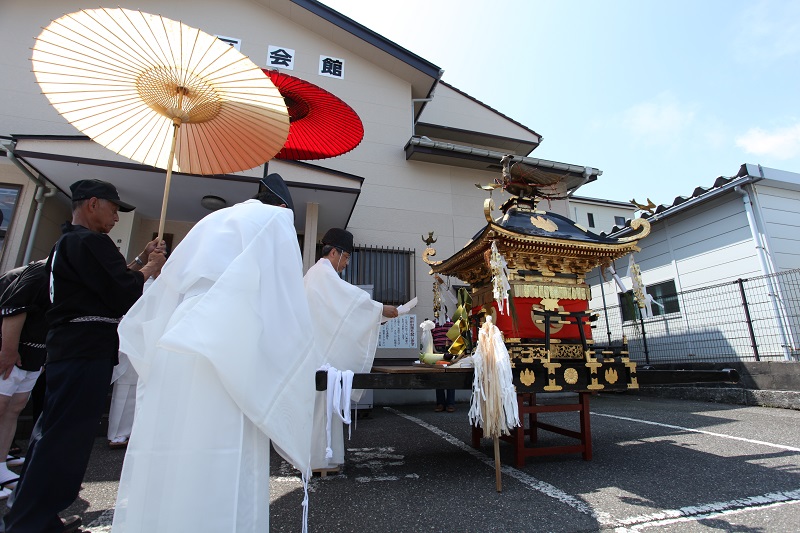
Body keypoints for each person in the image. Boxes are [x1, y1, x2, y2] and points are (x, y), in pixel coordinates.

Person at [111, 173, 321, 532]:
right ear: (284, 206)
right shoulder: (276, 219)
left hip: (178, 335)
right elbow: (281, 300)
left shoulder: (211, 221)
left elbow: (167, 290)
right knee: (224, 451)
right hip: (229, 336)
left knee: (170, 446)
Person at [3, 179, 165, 533]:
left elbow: (107, 280)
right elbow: (122, 292)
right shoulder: (91, 242)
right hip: (85, 349)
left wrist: (140, 257)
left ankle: (32, 513)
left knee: (52, 434)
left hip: (69, 348)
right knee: (65, 440)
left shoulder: (69, 242)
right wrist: (151, 268)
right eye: (113, 209)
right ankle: (33, 521)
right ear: (93, 203)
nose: (116, 218)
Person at [304, 227, 398, 471]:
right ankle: (317, 460)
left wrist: (376, 310)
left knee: (325, 407)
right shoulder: (323, 275)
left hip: (316, 353)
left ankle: (328, 458)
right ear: (334, 252)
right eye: (346, 257)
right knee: (321, 409)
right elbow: (351, 302)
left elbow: (343, 309)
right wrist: (379, 309)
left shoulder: (317, 275)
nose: (346, 263)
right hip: (318, 356)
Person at [0, 260, 49, 498]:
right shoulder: (40, 272)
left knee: (14, 409)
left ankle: (0, 466)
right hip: (13, 353)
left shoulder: (67, 278)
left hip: (34, 355)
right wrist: (8, 350)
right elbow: (15, 308)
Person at [432, 315, 456, 412]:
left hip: (450, 353)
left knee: (450, 378)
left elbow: (456, 339)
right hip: (437, 353)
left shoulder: (452, 323)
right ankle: (440, 403)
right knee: (439, 378)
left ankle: (450, 403)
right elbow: (429, 339)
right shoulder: (433, 324)